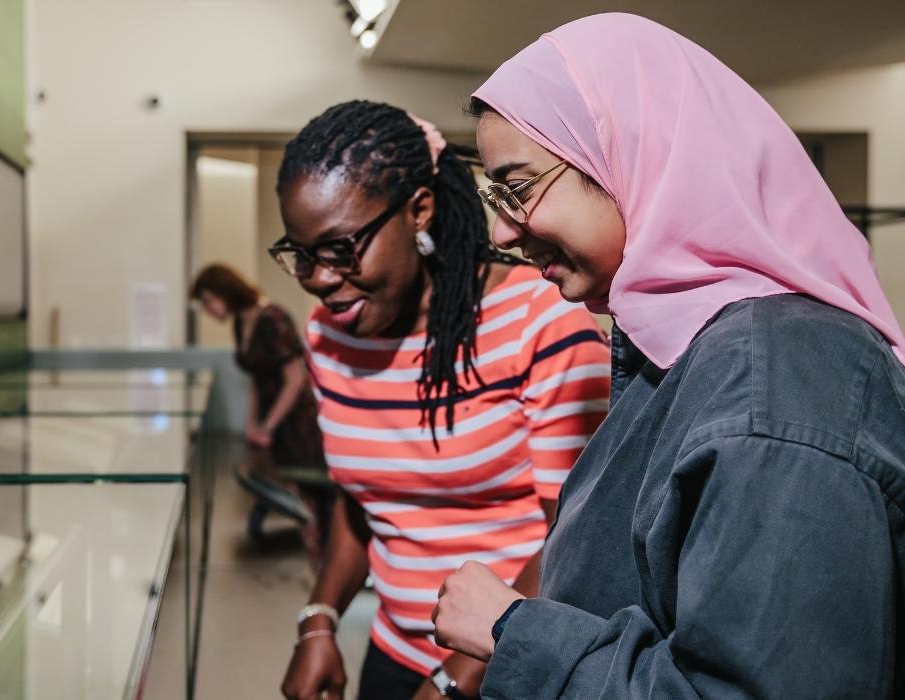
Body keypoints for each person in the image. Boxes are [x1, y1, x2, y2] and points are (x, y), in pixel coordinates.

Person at [430, 13, 905, 699]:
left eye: (521, 187)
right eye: (495, 196)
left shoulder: (779, 384)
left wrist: (513, 631)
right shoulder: (694, 347)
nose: (503, 229)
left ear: (633, 155)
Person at [273, 100, 611, 699]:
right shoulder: (328, 338)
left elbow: (576, 537)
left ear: (418, 211)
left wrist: (456, 681)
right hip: (393, 653)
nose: (321, 279)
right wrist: (318, 620)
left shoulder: (539, 320)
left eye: (341, 249)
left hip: (505, 665)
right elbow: (366, 503)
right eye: (303, 256)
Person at [191, 264, 331, 564]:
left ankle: (322, 567)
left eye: (207, 300)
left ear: (224, 291)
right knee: (284, 491)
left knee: (309, 498)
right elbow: (256, 379)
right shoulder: (241, 323)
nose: (208, 309)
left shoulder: (273, 317)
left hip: (297, 424)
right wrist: (252, 424)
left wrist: (268, 426)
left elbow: (295, 379)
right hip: (274, 423)